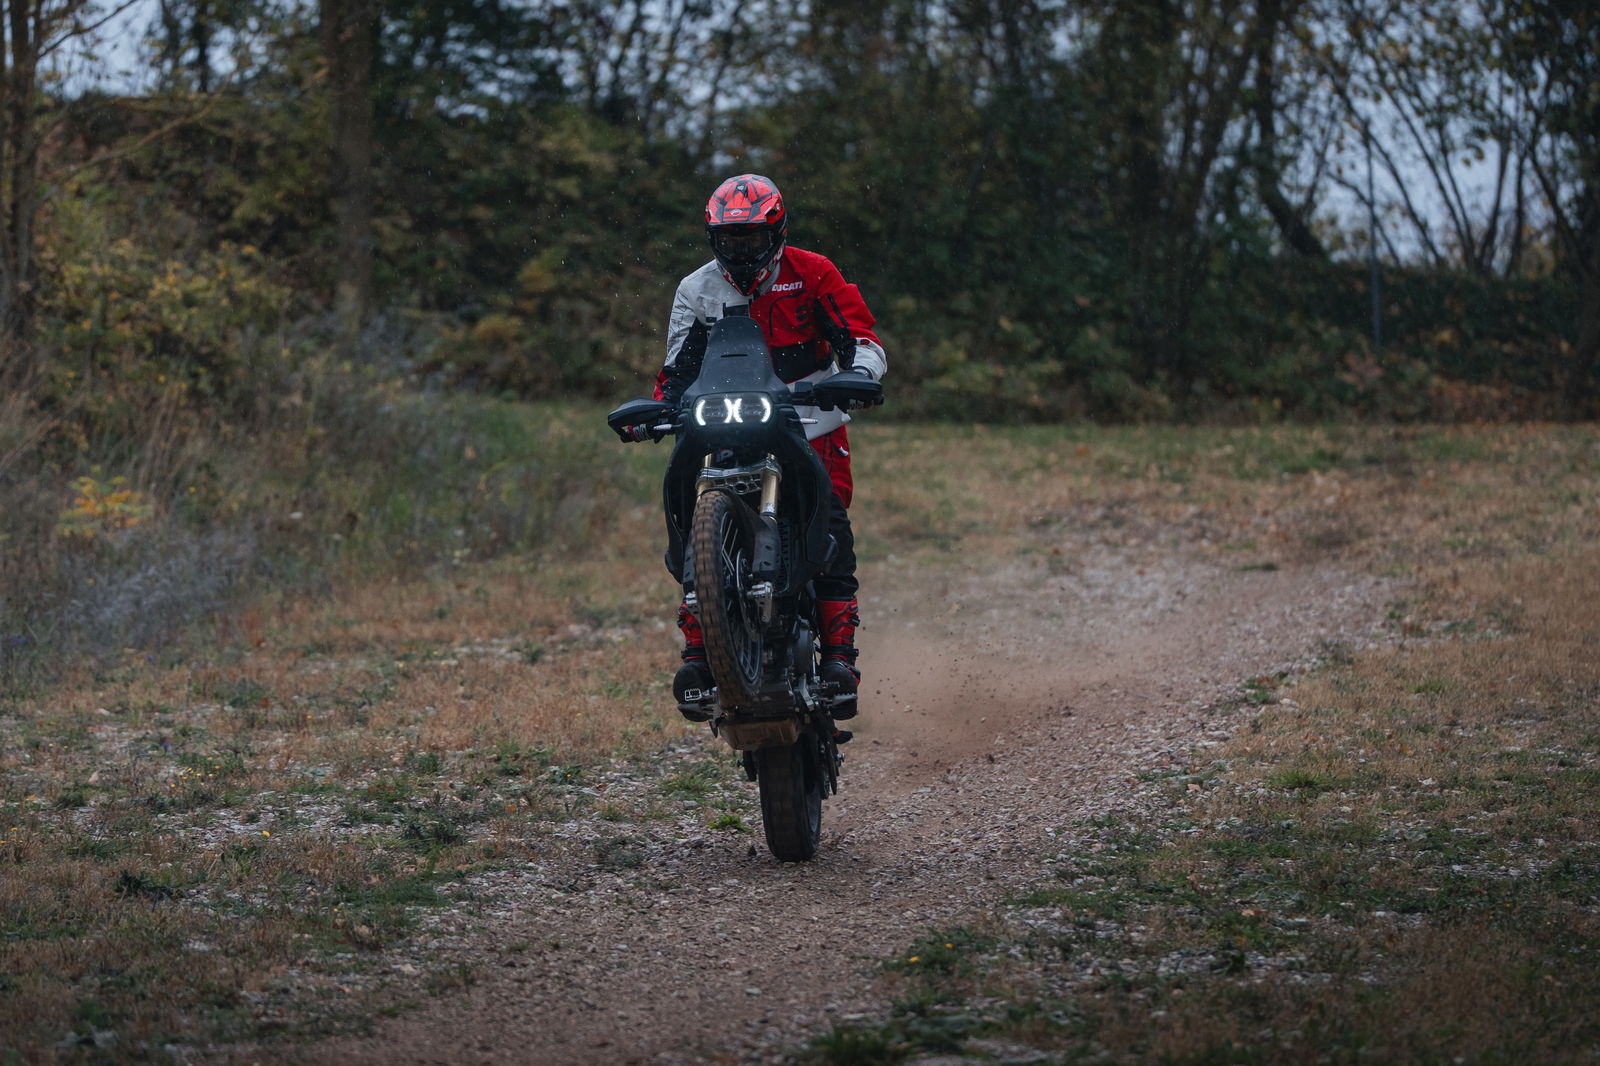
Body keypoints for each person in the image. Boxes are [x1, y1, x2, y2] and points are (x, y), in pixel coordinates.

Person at [654, 174, 887, 725]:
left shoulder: (815, 272)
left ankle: (839, 661)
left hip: (810, 419)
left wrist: (858, 377)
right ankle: (698, 652)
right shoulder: (696, 290)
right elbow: (677, 369)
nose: (741, 251)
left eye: (752, 239)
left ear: (776, 232)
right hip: (725, 426)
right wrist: (660, 408)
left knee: (829, 524)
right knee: (689, 513)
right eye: (730, 241)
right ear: (714, 238)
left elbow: (862, 338)